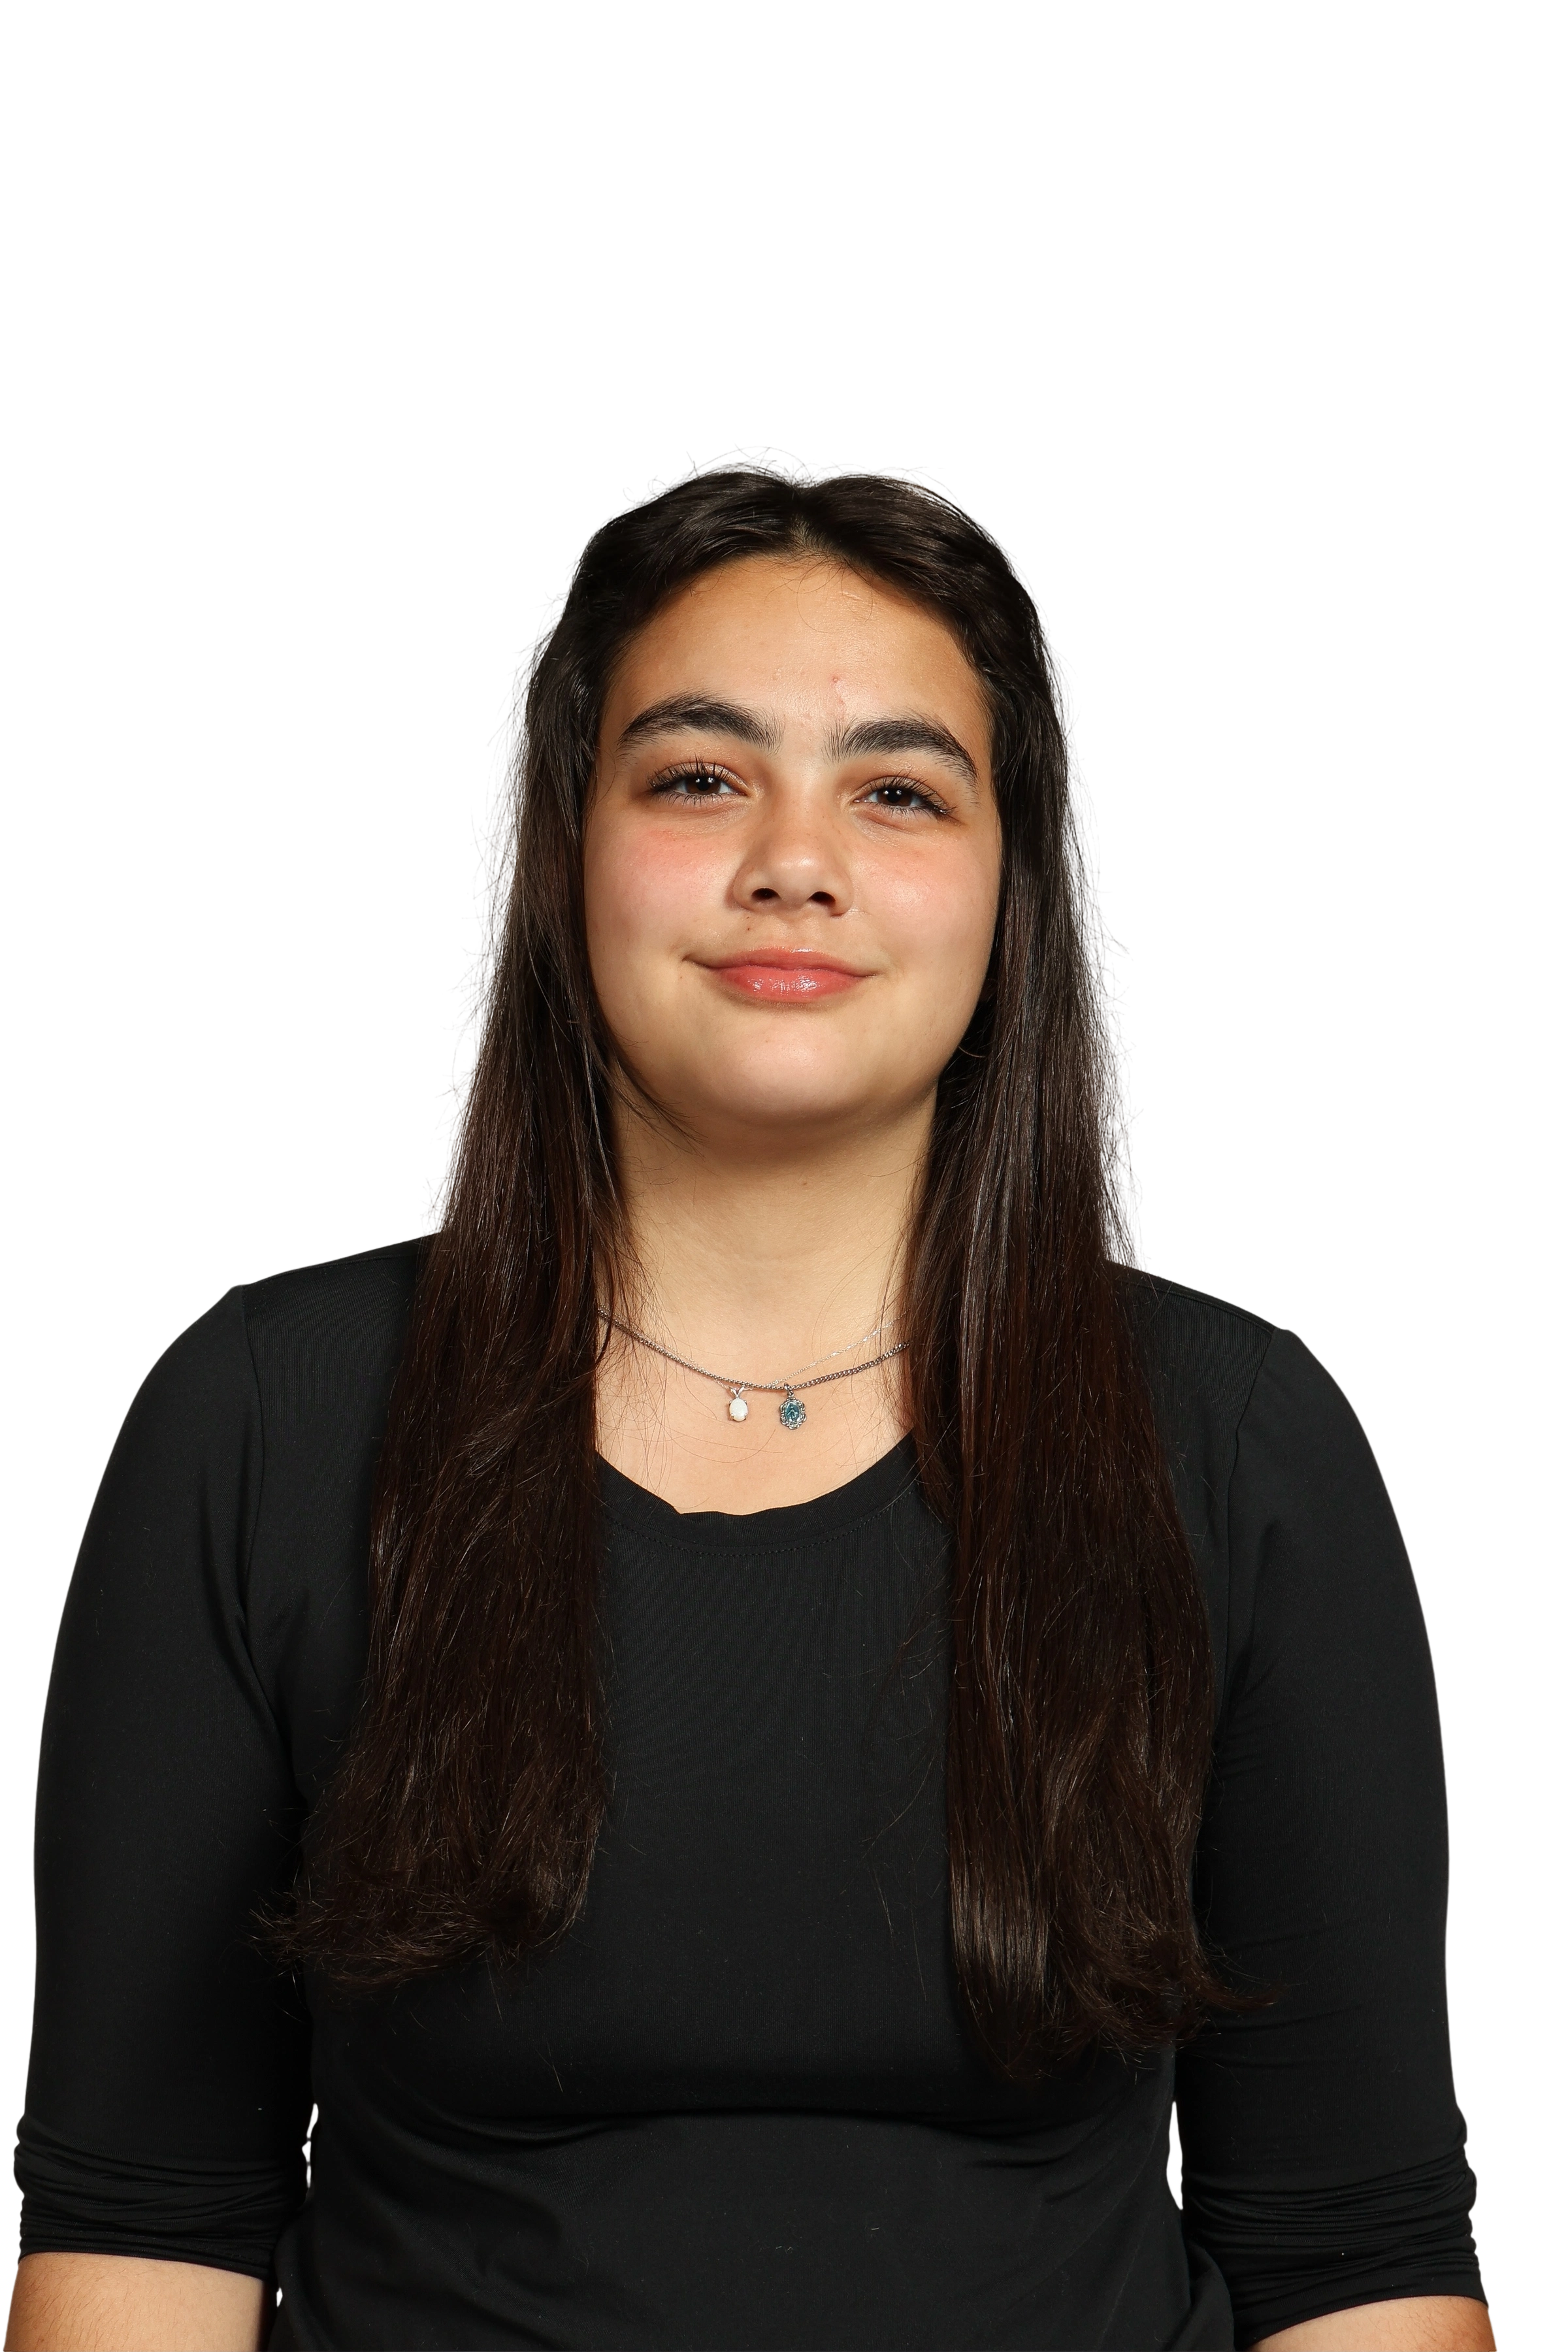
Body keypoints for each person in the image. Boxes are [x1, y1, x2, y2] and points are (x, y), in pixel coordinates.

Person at [10, 453, 1496, 2352]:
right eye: (698, 776)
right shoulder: (260, 1423)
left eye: (899, 790)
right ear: (562, 848)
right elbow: (145, 2232)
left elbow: (1356, 2266)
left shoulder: (1243, 1443)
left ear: (1017, 884)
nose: (795, 859)